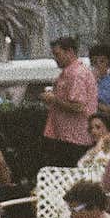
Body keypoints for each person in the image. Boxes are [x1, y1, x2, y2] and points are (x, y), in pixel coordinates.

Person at [42, 36, 98, 168]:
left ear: (70, 52)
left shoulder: (76, 74)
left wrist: (53, 99)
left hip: (75, 138)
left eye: (58, 54)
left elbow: (78, 106)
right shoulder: (69, 72)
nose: (55, 58)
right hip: (65, 135)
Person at [89, 44, 110, 116]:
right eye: (94, 62)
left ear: (109, 63)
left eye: (102, 61)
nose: (98, 64)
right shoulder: (87, 81)